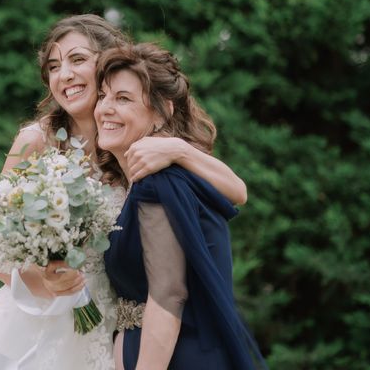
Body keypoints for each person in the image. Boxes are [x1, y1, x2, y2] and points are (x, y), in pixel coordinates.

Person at [0, 15, 248, 370]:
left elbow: (237, 191)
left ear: (104, 64)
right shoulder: (35, 141)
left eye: (77, 60)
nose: (65, 75)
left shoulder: (135, 143)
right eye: (54, 66)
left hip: (110, 327)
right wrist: (42, 280)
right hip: (39, 323)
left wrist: (179, 150)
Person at [96, 42, 266, 369]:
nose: (105, 109)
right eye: (103, 96)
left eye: (123, 98)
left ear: (162, 113)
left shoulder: (158, 185)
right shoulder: (145, 183)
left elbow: (168, 297)